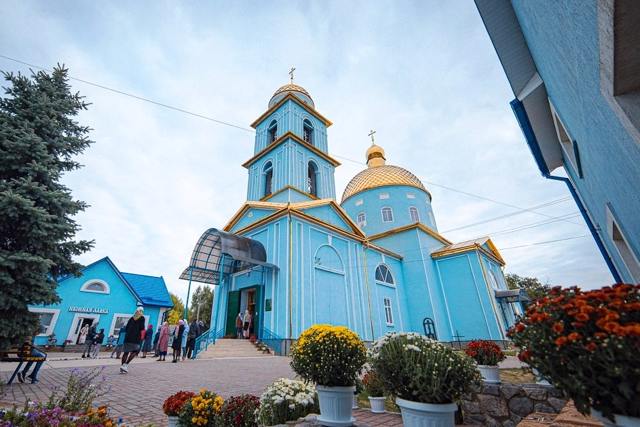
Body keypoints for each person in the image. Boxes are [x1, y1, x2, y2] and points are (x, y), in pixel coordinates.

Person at [120, 307, 146, 374]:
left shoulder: (131, 318)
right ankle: (125, 365)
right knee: (135, 351)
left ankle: (122, 367)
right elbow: (142, 328)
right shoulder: (142, 318)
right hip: (136, 338)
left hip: (128, 338)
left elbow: (126, 328)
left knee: (126, 352)